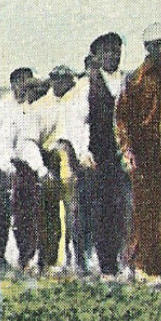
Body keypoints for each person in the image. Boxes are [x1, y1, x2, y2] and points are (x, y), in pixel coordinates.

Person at [115, 24, 161, 281]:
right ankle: (144, 265)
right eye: (155, 45)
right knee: (144, 211)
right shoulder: (134, 79)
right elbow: (122, 121)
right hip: (144, 155)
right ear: (147, 48)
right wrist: (127, 153)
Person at [71, 33, 134, 279]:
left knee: (126, 209)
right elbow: (78, 123)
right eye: (107, 51)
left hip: (125, 155)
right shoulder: (87, 85)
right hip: (100, 155)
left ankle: (126, 261)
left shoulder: (128, 82)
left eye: (117, 50)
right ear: (96, 55)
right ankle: (107, 265)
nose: (113, 55)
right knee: (103, 210)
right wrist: (83, 151)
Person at [33, 66, 80, 275]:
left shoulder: (76, 100)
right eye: (57, 79)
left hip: (73, 159)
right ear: (51, 80)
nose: (61, 83)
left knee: (73, 212)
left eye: (65, 79)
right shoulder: (40, 106)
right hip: (49, 158)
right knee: (50, 213)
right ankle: (49, 259)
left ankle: (73, 258)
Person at [0, 67, 34, 271]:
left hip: (25, 165)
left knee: (24, 213)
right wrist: (4, 164)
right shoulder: (4, 106)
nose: (24, 86)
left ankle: (25, 256)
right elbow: (1, 140)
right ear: (13, 84)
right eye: (20, 82)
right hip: (4, 164)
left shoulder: (30, 106)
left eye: (27, 82)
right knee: (2, 211)